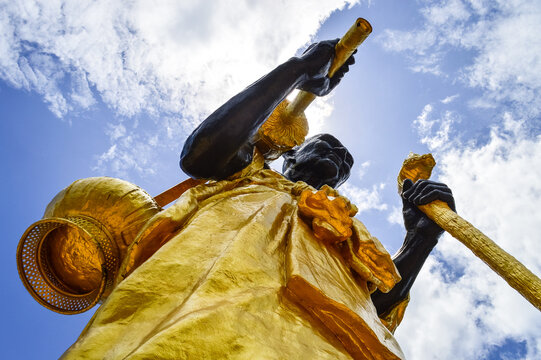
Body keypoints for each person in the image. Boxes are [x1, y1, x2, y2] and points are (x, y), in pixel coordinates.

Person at [61, 40, 455, 360]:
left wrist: (421, 239)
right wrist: (297, 70)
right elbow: (202, 152)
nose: (339, 155)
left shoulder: (346, 227)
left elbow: (374, 303)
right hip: (205, 318)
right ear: (292, 155)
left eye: (346, 161)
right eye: (327, 145)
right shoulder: (247, 174)